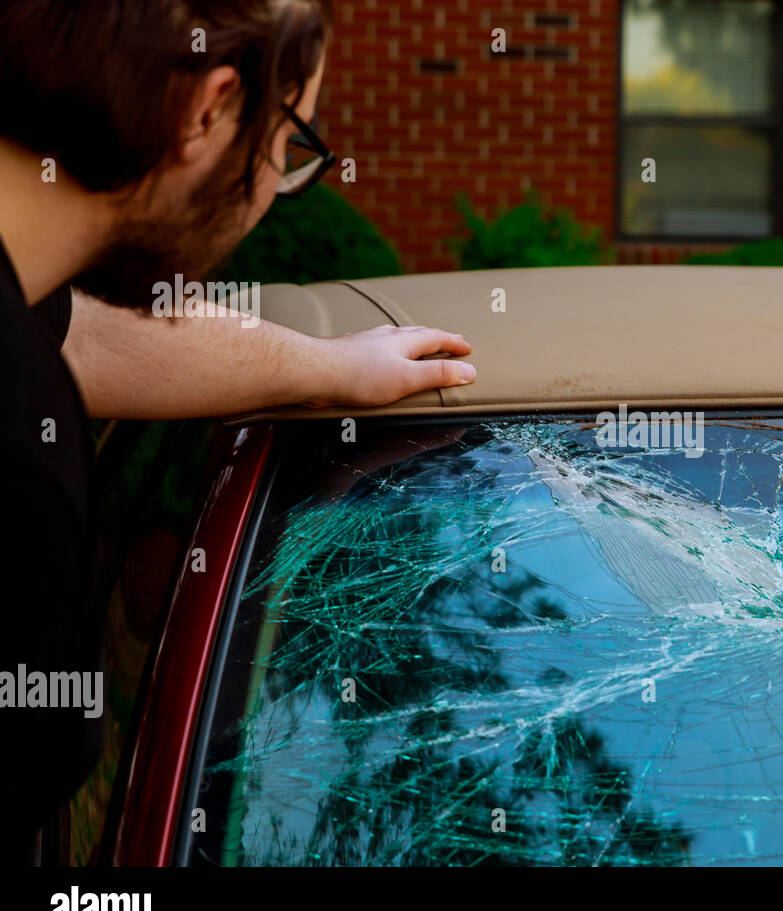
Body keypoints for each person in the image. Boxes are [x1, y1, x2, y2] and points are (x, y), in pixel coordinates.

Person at [0, 0, 474, 860]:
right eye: (290, 147)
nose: (276, 190)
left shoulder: (21, 313)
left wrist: (326, 367)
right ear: (210, 110)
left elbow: (85, 332)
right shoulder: (21, 459)